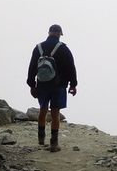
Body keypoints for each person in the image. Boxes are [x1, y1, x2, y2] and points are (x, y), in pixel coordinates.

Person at [26, 24, 78, 152]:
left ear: (49, 33)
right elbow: (71, 67)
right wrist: (73, 84)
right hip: (59, 86)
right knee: (55, 114)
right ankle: (54, 143)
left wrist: (32, 85)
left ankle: (41, 139)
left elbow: (32, 67)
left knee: (42, 110)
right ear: (60, 34)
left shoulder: (38, 48)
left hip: (42, 85)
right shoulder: (64, 49)